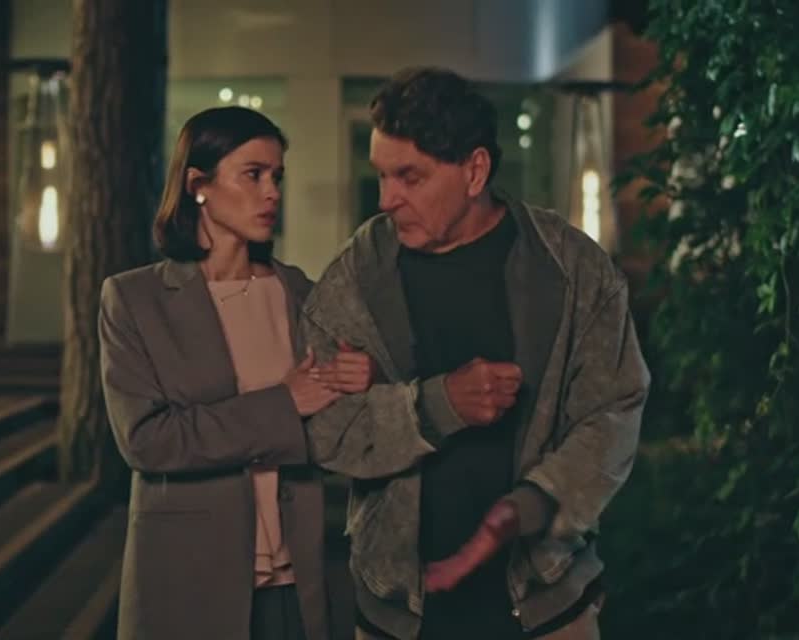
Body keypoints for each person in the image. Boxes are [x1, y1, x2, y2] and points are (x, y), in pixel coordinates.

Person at [301, 68, 651, 639]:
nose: (386, 199)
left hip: (546, 603)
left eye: (409, 177)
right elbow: (324, 428)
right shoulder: (356, 278)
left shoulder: (571, 270)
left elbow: (614, 409)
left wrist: (535, 504)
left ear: (475, 170)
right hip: (399, 614)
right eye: (382, 174)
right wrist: (437, 406)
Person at [99, 106, 372, 640]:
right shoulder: (135, 299)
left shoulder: (299, 292)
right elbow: (148, 441)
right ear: (198, 185)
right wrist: (283, 404)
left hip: (295, 579)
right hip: (190, 580)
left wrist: (357, 378)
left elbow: (334, 426)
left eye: (277, 177)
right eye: (253, 174)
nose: (272, 193)